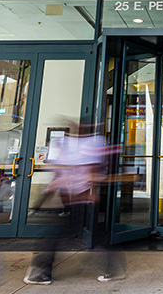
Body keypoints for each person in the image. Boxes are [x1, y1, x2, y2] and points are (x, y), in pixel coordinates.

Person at [24, 121, 124, 285]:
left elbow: (91, 171)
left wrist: (89, 193)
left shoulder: (91, 144)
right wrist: (53, 190)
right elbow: (61, 172)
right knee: (89, 235)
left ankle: (42, 272)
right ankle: (113, 268)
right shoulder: (71, 145)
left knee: (58, 234)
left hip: (82, 198)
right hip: (73, 198)